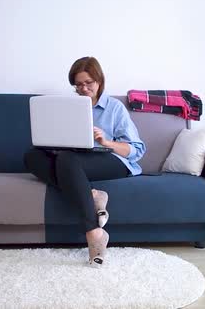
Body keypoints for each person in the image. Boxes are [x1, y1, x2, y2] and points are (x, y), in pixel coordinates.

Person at [23, 56, 146, 267]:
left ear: (99, 81)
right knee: (32, 156)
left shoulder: (114, 108)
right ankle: (92, 195)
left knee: (67, 160)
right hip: (74, 160)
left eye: (88, 83)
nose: (84, 88)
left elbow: (137, 150)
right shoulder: (68, 108)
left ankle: (93, 232)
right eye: (78, 85)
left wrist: (106, 141)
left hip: (113, 159)